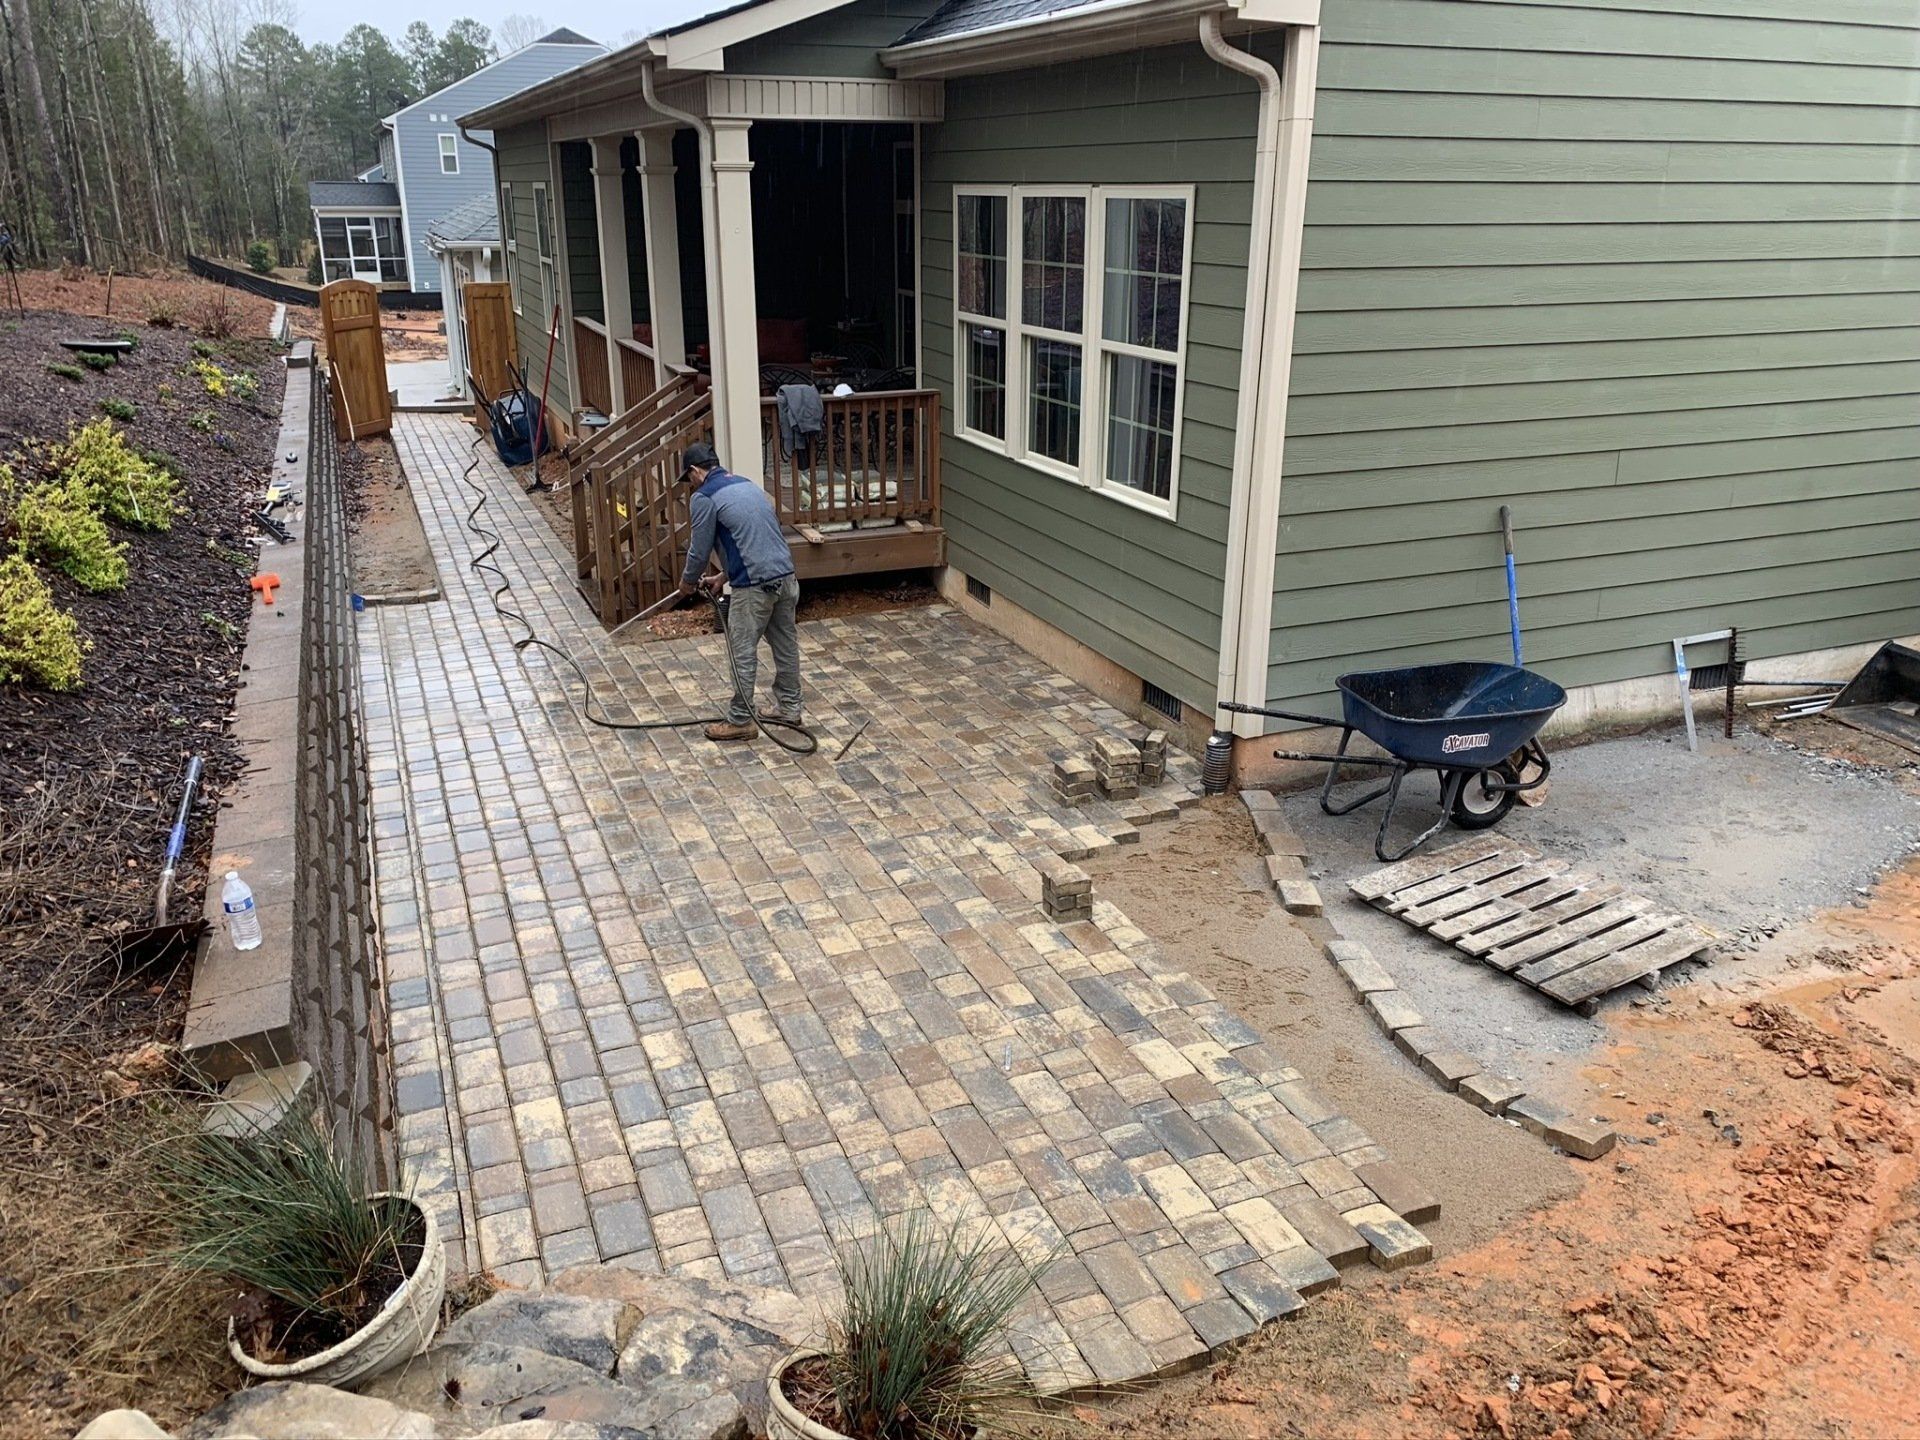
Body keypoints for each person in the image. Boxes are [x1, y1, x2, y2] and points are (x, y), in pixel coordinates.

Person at [676, 441, 802, 742]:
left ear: (695, 471)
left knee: (742, 651)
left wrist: (687, 582)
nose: (689, 485)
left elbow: (699, 548)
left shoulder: (704, 497)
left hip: (755, 587)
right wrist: (724, 575)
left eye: (688, 479)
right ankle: (790, 707)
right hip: (785, 577)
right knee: (785, 646)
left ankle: (741, 720)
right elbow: (752, 537)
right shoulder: (745, 484)